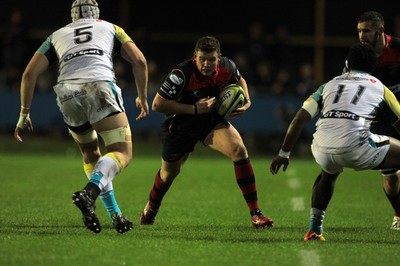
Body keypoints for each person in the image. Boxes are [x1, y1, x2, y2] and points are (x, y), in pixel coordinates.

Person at [14, 0, 149, 234]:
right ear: (97, 13)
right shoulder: (111, 27)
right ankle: (90, 192)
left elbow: (29, 73)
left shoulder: (56, 35)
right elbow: (139, 61)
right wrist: (142, 97)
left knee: (90, 154)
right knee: (122, 152)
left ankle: (115, 215)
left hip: (67, 94)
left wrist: (24, 112)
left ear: (73, 16)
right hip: (99, 87)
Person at [139, 36, 273, 229]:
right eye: (202, 59)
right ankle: (152, 207)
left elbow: (240, 79)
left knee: (238, 150)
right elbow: (158, 104)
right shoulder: (181, 73)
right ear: (195, 57)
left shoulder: (227, 66)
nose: (206, 64)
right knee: (169, 174)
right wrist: (194, 109)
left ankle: (256, 214)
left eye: (211, 59)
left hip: (210, 119)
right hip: (180, 124)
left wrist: (247, 101)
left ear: (219, 57)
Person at [270, 43, 400, 240]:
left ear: (348, 63)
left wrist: (283, 154)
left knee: (328, 174)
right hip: (358, 146)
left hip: (321, 146)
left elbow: (298, 119)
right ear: (373, 66)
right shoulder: (379, 87)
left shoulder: (328, 85)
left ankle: (314, 228)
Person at [343, 11, 400, 230]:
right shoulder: (357, 59)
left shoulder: (397, 49)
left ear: (381, 31)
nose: (362, 35)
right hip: (380, 122)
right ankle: (398, 214)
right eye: (359, 31)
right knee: (391, 178)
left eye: (366, 30)